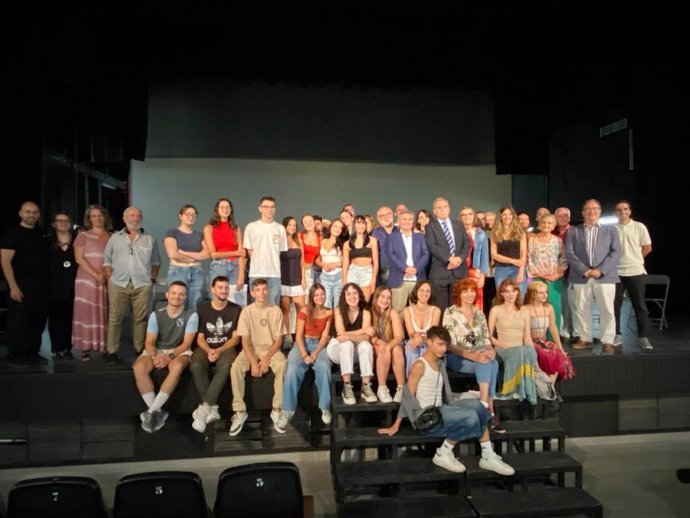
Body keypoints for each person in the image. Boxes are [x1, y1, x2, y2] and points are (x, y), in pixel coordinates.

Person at [377, 326, 514, 476]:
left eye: (445, 345)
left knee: (479, 406)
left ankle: (488, 456)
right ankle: (444, 453)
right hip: (427, 417)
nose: (443, 349)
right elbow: (408, 396)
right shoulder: (419, 366)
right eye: (440, 344)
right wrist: (396, 425)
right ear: (429, 342)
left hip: (442, 409)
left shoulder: (440, 363)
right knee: (470, 416)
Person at [133, 281, 197, 433]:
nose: (177, 296)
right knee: (138, 367)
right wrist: (155, 356)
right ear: (167, 295)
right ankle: (157, 410)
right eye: (174, 293)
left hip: (179, 351)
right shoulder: (157, 314)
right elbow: (149, 342)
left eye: (181, 294)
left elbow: (186, 343)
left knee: (177, 367)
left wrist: (169, 357)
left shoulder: (191, 315)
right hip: (158, 350)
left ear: (185, 297)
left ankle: (151, 411)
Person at [443, 278, 503, 432]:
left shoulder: (479, 313)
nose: (469, 295)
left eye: (472, 291)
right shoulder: (450, 312)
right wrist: (473, 356)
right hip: (458, 358)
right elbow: (450, 345)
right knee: (487, 362)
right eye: (465, 291)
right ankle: (487, 407)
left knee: (492, 360)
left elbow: (486, 340)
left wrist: (491, 351)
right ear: (459, 294)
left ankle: (486, 408)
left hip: (479, 356)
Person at [229, 278, 287, 436]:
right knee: (236, 368)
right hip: (251, 350)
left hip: (271, 349)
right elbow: (245, 341)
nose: (261, 292)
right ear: (252, 293)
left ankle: (277, 408)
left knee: (282, 364)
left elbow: (278, 340)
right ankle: (240, 411)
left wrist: (267, 359)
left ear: (268, 290)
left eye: (264, 289)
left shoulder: (275, 310)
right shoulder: (246, 311)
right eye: (258, 290)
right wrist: (254, 362)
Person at [103, 207, 161, 361]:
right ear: (124, 218)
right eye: (131, 215)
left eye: (138, 216)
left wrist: (152, 279)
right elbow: (106, 260)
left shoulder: (149, 239)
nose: (135, 218)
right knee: (115, 318)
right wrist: (110, 276)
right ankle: (112, 352)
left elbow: (156, 262)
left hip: (142, 284)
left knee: (140, 318)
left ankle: (139, 349)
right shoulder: (115, 238)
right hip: (118, 283)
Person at [565, 199, 621, 353]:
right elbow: (569, 253)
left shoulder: (611, 230)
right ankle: (585, 339)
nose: (592, 211)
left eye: (595, 208)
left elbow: (616, 252)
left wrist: (600, 270)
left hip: (605, 277)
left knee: (607, 310)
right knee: (582, 309)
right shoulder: (573, 231)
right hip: (581, 276)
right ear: (582, 212)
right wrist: (585, 270)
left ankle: (608, 341)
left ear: (600, 211)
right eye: (588, 209)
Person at [277, 283, 334, 431]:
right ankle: (287, 410)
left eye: (322, 294)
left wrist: (315, 354)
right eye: (316, 295)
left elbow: (325, 336)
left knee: (323, 366)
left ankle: (325, 407)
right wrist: (304, 355)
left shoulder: (329, 313)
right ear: (312, 297)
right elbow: (299, 336)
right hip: (302, 343)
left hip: (319, 345)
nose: (320, 297)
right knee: (293, 368)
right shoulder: (304, 311)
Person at [1, 201, 50, 367]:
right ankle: (14, 355)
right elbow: (5, 261)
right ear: (20, 213)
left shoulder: (40, 234)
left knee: (37, 323)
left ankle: (33, 354)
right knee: (18, 322)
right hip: (20, 285)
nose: (32, 215)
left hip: (40, 287)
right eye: (28, 212)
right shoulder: (12, 233)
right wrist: (13, 286)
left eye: (35, 212)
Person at [190, 275, 242, 433]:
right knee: (196, 364)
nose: (224, 290)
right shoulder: (203, 308)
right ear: (212, 289)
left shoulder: (236, 309)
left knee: (226, 365)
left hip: (226, 347)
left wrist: (219, 350)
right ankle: (212, 408)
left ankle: (205, 407)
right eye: (220, 287)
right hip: (206, 346)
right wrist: (209, 350)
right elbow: (199, 338)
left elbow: (235, 338)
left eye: (226, 287)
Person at [488, 279, 538, 404]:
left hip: (520, 350)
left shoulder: (525, 312)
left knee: (529, 351)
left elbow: (527, 337)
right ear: (502, 294)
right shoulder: (496, 310)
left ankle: (526, 390)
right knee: (520, 351)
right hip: (502, 349)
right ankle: (509, 390)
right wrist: (501, 344)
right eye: (507, 292)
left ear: (517, 293)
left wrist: (533, 354)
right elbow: (488, 336)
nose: (510, 295)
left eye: (513, 291)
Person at [72, 204, 111, 361]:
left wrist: (105, 274)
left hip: (106, 278)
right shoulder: (83, 235)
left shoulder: (112, 236)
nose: (98, 219)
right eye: (94, 216)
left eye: (100, 215)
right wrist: (96, 274)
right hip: (87, 279)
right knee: (87, 311)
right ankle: (85, 348)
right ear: (89, 219)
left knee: (105, 312)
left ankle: (106, 346)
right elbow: (79, 258)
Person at [326, 282, 377, 405]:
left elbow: (365, 338)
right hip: (336, 349)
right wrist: (363, 330)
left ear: (359, 295)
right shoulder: (338, 310)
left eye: (355, 293)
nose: (352, 297)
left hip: (354, 350)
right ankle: (347, 387)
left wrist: (349, 336)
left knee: (366, 345)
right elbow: (341, 335)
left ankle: (366, 386)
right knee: (346, 344)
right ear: (344, 296)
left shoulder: (365, 312)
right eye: (348, 294)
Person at [613, 200, 653, 350]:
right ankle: (616, 335)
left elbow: (647, 247)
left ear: (629, 211)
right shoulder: (612, 229)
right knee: (615, 306)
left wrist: (636, 259)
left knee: (639, 306)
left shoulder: (639, 227)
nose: (622, 212)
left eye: (625, 209)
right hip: (616, 272)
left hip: (636, 272)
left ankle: (643, 337)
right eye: (619, 210)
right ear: (615, 212)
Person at [425, 197, 469, 311]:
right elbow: (432, 246)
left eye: (445, 207)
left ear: (449, 208)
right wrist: (449, 258)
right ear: (434, 211)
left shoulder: (459, 224)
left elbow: (466, 244)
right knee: (441, 309)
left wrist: (459, 259)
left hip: (459, 272)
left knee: (458, 309)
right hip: (440, 273)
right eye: (439, 208)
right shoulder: (430, 227)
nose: (443, 210)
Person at [523, 281, 573, 382]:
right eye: (541, 293)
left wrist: (560, 347)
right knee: (545, 354)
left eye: (546, 292)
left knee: (558, 354)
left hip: (544, 341)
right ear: (532, 293)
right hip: (530, 343)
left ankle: (550, 387)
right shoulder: (525, 309)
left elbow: (553, 328)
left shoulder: (549, 308)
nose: (544, 295)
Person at [243, 196, 288, 306]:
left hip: (274, 274)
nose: (270, 210)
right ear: (260, 208)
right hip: (257, 273)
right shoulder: (251, 227)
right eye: (266, 207)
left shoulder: (280, 228)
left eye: (272, 207)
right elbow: (249, 250)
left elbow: (280, 251)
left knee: (273, 308)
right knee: (256, 308)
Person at [527, 213, 567, 335]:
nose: (546, 225)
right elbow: (529, 259)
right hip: (537, 279)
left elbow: (563, 259)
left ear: (553, 225)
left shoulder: (558, 241)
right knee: (537, 309)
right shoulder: (532, 240)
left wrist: (557, 274)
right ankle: (537, 339)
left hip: (554, 280)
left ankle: (553, 339)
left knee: (554, 308)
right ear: (539, 224)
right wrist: (540, 274)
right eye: (544, 222)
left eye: (549, 223)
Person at [164, 204, 208, 311]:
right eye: (188, 214)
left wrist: (184, 253)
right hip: (178, 270)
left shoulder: (200, 235)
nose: (191, 217)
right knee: (177, 302)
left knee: (195, 304)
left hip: (197, 272)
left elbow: (206, 254)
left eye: (194, 214)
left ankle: (192, 327)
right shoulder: (172, 232)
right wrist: (195, 257)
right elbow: (173, 254)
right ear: (180, 216)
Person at [386, 209, 429, 313]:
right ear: (399, 221)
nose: (407, 222)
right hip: (399, 279)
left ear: (413, 221)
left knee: (417, 312)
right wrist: (405, 268)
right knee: (397, 312)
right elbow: (391, 255)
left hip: (417, 280)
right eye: (404, 219)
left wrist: (415, 269)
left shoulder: (420, 237)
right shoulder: (392, 237)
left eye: (410, 219)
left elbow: (426, 254)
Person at [203, 198, 245, 302]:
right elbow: (213, 254)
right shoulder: (209, 228)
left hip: (235, 266)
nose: (225, 210)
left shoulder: (236, 228)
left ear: (231, 210)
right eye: (222, 207)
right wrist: (235, 252)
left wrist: (241, 276)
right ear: (217, 209)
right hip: (218, 266)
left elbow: (242, 254)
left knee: (237, 300)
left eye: (227, 207)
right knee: (217, 298)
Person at [47, 212, 77, 359]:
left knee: (70, 318)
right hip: (53, 287)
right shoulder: (47, 242)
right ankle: (57, 348)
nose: (63, 223)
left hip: (74, 286)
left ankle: (67, 348)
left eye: (66, 220)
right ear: (54, 224)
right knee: (56, 318)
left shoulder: (78, 241)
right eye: (59, 220)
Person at [371, 285, 405, 403]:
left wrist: (388, 347)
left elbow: (399, 336)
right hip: (376, 344)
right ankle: (382, 388)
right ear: (376, 297)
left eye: (388, 298)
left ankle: (401, 388)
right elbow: (368, 336)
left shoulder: (392, 313)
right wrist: (380, 344)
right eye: (383, 296)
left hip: (391, 343)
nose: (385, 300)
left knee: (397, 350)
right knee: (381, 349)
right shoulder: (370, 312)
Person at [403, 280, 440, 375]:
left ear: (431, 294)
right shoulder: (407, 310)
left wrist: (420, 337)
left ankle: (426, 384)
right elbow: (410, 333)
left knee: (427, 348)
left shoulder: (436, 310)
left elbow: (432, 334)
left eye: (428, 291)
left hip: (429, 341)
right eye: (421, 290)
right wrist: (415, 335)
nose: (424, 294)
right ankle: (411, 385)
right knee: (412, 348)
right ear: (416, 292)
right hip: (413, 340)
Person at [490, 205, 527, 296]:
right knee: (502, 297)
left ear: (513, 216)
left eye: (510, 214)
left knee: (519, 297)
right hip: (501, 269)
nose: (507, 217)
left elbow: (523, 253)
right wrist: (513, 261)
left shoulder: (520, 232)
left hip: (517, 270)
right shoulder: (495, 233)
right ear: (500, 217)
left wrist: (521, 272)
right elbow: (494, 255)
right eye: (504, 214)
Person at [459, 206, 490, 311]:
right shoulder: (456, 232)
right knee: (461, 300)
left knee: (476, 300)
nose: (467, 217)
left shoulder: (481, 234)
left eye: (470, 214)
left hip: (475, 271)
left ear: (474, 216)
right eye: (464, 215)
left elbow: (485, 256)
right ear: (460, 218)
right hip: (460, 271)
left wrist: (482, 276)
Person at [342, 214, 379, 302]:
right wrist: (344, 281)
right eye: (358, 223)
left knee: (364, 301)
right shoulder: (347, 244)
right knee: (351, 300)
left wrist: (373, 281)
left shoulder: (372, 240)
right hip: (352, 272)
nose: (361, 225)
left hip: (367, 272)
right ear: (354, 224)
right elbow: (345, 264)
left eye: (363, 223)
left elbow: (376, 263)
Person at [280, 216, 306, 336]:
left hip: (297, 279)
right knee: (285, 310)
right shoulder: (280, 241)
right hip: (284, 279)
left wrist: (303, 279)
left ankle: (299, 335)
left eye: (294, 225)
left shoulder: (299, 241)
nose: (292, 227)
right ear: (285, 226)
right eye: (290, 225)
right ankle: (287, 336)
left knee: (301, 310)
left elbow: (302, 262)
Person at [553, 207, 574, 340]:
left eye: (565, 215)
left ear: (569, 217)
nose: (562, 218)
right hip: (553, 274)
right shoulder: (551, 232)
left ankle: (568, 330)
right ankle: (557, 330)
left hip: (571, 274)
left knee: (569, 304)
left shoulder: (575, 232)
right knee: (557, 303)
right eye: (559, 216)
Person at [315, 219, 344, 309]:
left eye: (340, 228)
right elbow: (317, 260)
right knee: (326, 304)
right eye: (336, 226)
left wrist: (335, 264)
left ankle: (337, 323)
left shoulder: (342, 243)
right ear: (331, 227)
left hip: (338, 277)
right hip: (325, 277)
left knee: (337, 305)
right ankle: (328, 323)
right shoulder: (323, 241)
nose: (338, 229)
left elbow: (346, 261)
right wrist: (324, 265)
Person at [371, 205, 399, 285]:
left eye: (388, 214)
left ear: (393, 214)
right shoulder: (374, 234)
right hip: (381, 274)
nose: (385, 217)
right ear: (378, 218)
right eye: (382, 216)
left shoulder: (401, 231)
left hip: (399, 273)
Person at [299, 214, 321, 291]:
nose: (308, 223)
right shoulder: (299, 236)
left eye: (310, 221)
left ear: (314, 222)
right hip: (299, 271)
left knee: (308, 297)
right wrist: (303, 277)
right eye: (305, 222)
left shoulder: (319, 237)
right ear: (303, 225)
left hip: (310, 271)